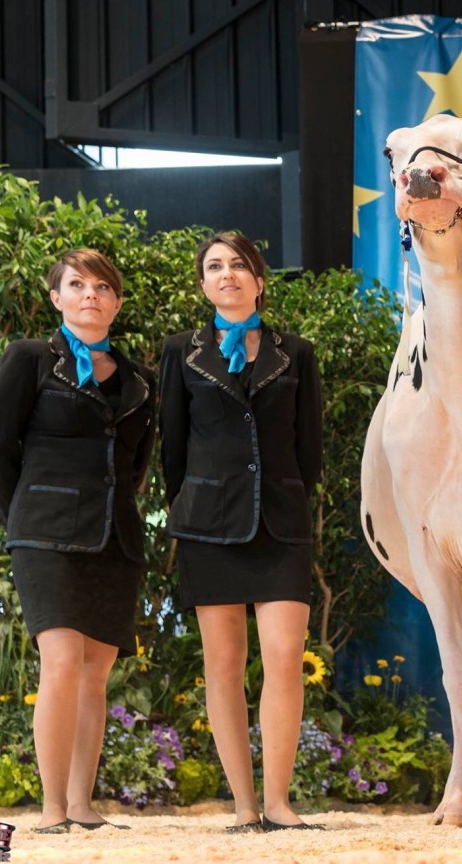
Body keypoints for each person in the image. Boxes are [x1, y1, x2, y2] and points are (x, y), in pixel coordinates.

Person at [0, 249, 155, 833]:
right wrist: (24, 521)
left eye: (102, 286)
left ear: (117, 302)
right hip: (44, 534)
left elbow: (136, 466)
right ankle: (53, 809)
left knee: (95, 674)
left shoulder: (138, 381)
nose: (90, 294)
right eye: (76, 285)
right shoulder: (30, 359)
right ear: (56, 298)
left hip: (115, 536)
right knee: (59, 662)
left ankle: (83, 806)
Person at [159, 232, 323, 833]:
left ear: (258, 278)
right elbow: (171, 449)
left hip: (281, 524)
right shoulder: (180, 352)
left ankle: (278, 802)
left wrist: (290, 499)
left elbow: (311, 450)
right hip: (208, 525)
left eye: (238, 265)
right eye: (214, 266)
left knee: (283, 659)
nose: (226, 274)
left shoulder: (296, 352)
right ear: (204, 283)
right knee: (223, 665)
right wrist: (193, 504)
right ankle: (243, 805)